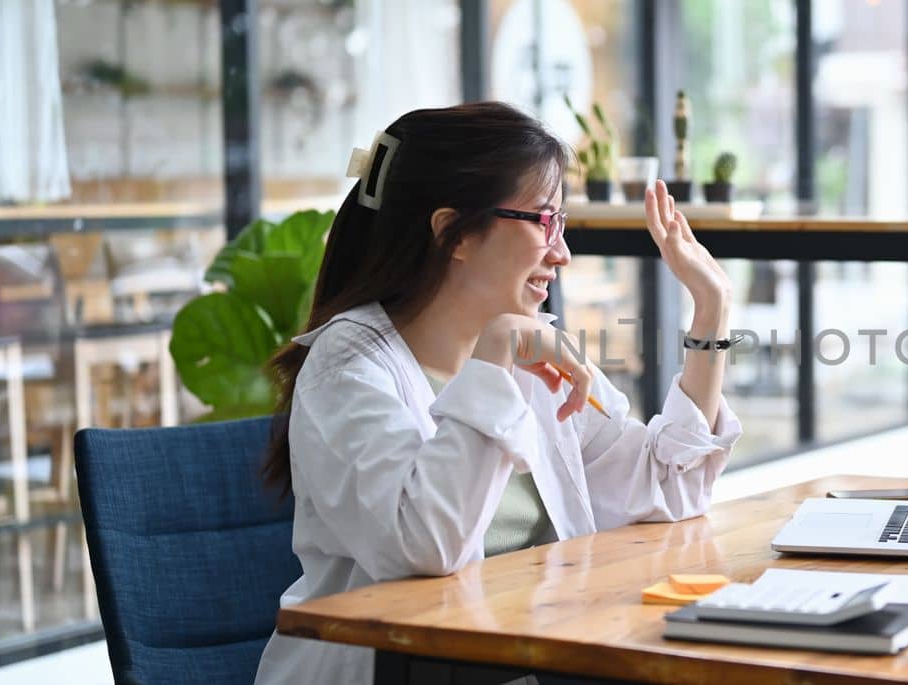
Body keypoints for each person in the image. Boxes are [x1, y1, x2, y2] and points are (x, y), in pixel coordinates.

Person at [254, 102, 741, 684]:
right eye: (544, 221)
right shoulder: (349, 366)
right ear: (452, 232)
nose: (561, 253)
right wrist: (495, 357)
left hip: (530, 660)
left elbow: (671, 488)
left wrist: (711, 311)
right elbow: (424, 546)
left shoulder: (526, 348)